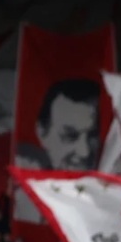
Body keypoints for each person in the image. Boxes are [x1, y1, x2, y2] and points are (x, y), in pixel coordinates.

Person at [14, 79, 101, 224]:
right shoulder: (23, 205)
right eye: (70, 135)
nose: (84, 152)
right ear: (42, 132)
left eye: (93, 135)